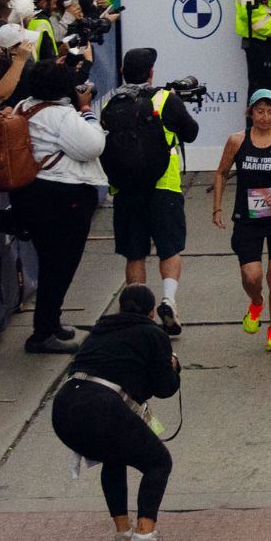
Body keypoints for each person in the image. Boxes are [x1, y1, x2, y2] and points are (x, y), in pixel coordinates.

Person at [51, 284, 184, 541]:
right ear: (151, 312)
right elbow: (164, 387)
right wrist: (172, 366)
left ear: (121, 307)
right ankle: (146, 536)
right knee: (159, 462)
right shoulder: (152, 333)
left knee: (113, 457)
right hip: (102, 405)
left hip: (64, 407)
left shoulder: (99, 331)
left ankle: (123, 534)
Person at [15, 57, 106, 354]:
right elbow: (93, 145)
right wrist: (85, 109)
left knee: (51, 263)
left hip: (31, 194)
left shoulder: (23, 108)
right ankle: (42, 333)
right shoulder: (61, 116)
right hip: (63, 197)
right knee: (60, 266)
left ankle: (51, 321)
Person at [107, 48, 199, 337]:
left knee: (135, 253)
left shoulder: (112, 103)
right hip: (164, 186)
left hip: (125, 190)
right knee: (169, 248)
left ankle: (137, 314)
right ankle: (168, 300)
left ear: (123, 72)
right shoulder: (164, 99)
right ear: (151, 73)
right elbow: (191, 132)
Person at [212, 89, 271, 353]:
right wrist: (217, 208)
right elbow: (222, 173)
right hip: (248, 218)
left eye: (270, 112)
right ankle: (256, 301)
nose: (265, 117)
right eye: (260, 111)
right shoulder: (237, 141)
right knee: (252, 275)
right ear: (250, 113)